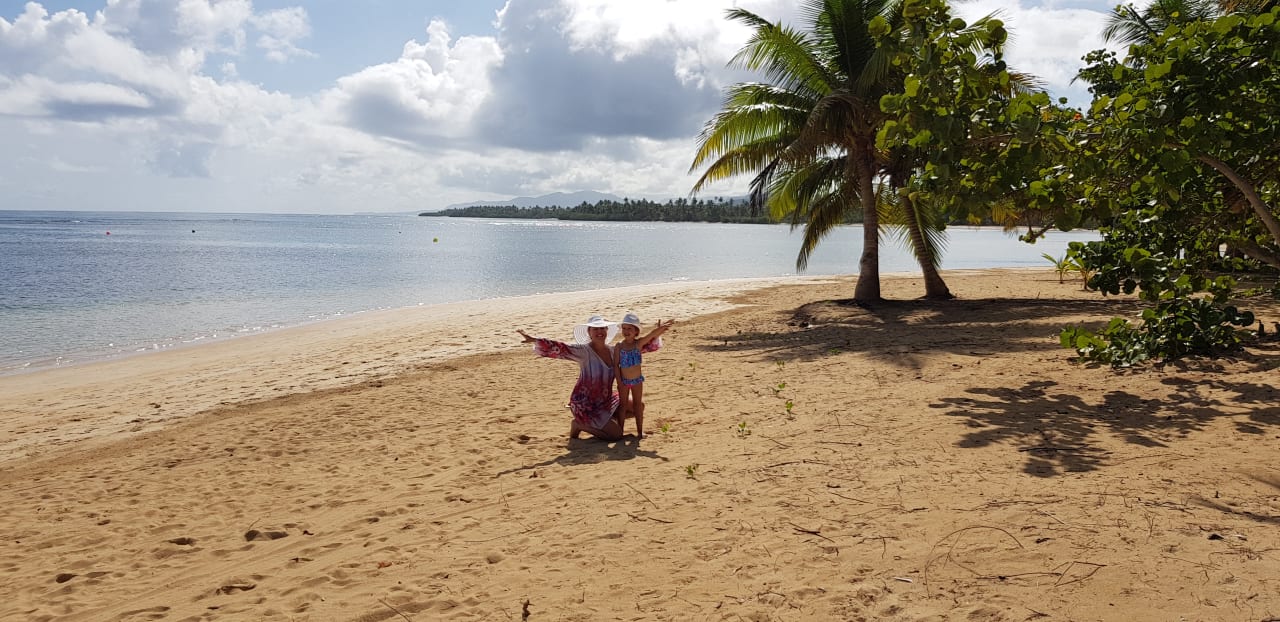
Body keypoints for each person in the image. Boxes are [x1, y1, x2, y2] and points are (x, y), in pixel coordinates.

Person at [517, 315, 662, 440]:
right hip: (586, 405)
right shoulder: (583, 352)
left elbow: (639, 347)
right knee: (616, 435)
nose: (599, 332)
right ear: (589, 332)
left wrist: (657, 333)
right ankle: (579, 424)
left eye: (602, 328)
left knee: (638, 406)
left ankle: (604, 422)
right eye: (595, 329)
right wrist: (534, 340)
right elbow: (561, 348)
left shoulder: (614, 351)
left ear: (606, 331)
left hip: (605, 400)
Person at [612, 313, 674, 438]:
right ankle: (620, 431)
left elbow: (651, 335)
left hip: (637, 380)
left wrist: (661, 329)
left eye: (630, 328)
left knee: (637, 405)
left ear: (636, 331)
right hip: (623, 381)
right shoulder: (619, 346)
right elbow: (616, 365)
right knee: (623, 406)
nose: (626, 331)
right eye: (624, 328)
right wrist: (619, 381)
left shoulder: (638, 344)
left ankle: (640, 431)